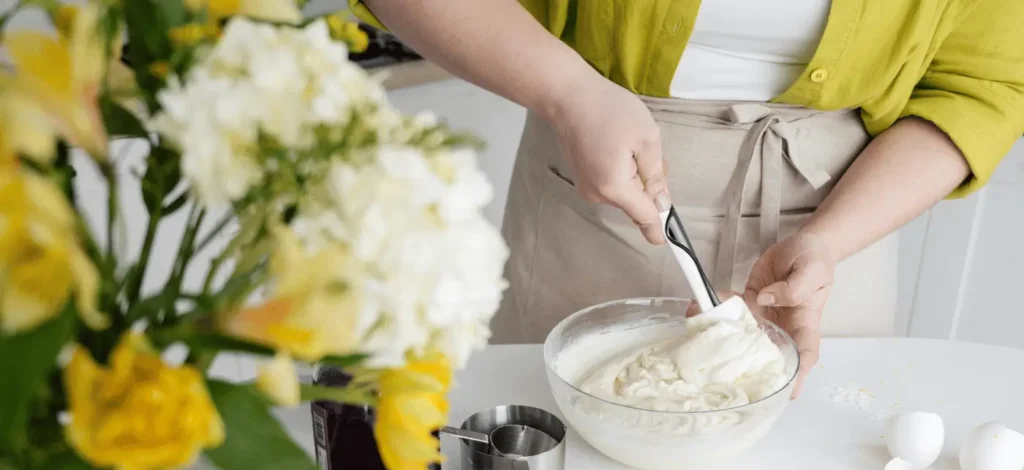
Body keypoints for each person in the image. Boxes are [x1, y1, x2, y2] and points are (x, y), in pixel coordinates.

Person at [351, 0, 1024, 395]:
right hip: (596, 202)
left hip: (841, 228)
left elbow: (983, 85)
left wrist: (828, 240)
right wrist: (570, 91)